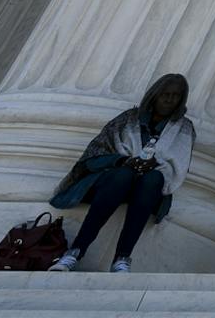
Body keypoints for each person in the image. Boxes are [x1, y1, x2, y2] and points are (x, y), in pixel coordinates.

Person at [45, 74, 194, 272]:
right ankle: (75, 252)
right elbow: (92, 158)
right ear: (154, 95)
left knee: (153, 179)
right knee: (123, 175)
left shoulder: (184, 128)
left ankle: (122, 259)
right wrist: (123, 161)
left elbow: (178, 166)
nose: (169, 99)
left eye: (175, 95)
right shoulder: (128, 119)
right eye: (165, 94)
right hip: (111, 182)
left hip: (150, 188)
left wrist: (154, 165)